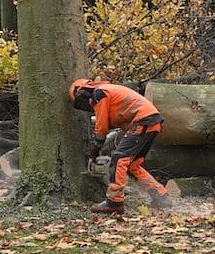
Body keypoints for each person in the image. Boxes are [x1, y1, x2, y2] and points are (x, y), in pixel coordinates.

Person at [69, 78, 173, 214]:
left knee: (118, 158)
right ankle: (160, 196)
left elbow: (101, 128)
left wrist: (96, 147)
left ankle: (114, 201)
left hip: (143, 120)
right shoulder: (108, 93)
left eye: (81, 101)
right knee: (132, 165)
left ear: (83, 91)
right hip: (150, 122)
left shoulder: (99, 93)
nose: (85, 106)